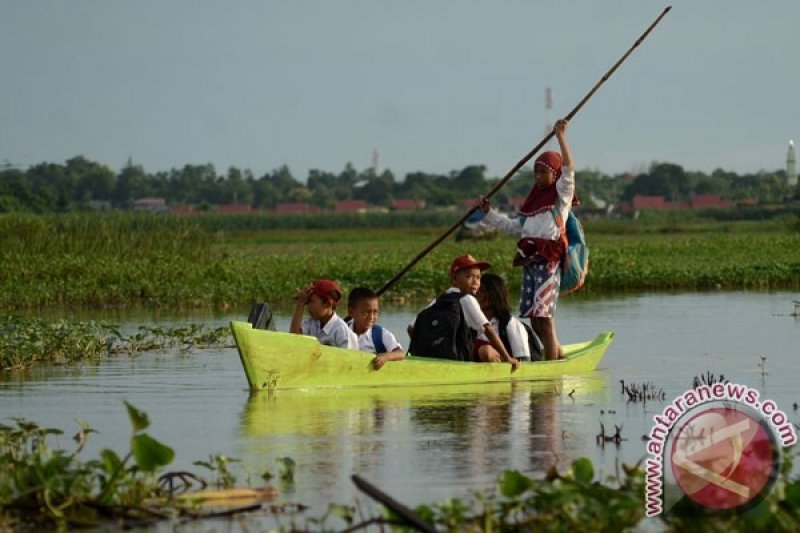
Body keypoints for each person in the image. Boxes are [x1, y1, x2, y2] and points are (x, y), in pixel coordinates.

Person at [479, 118, 576, 360]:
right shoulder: (532, 204)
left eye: (544, 172)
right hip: (531, 264)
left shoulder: (560, 198)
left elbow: (569, 170)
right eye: (536, 172)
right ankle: (556, 354)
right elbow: (512, 227)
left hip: (548, 263)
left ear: (554, 174)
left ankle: (552, 366)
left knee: (545, 318)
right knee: (534, 318)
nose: (539, 177)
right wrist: (488, 213)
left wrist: (560, 137)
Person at [409, 254, 520, 371]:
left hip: (436, 359)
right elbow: (488, 330)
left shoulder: (439, 299)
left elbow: (411, 328)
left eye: (478, 277)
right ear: (455, 279)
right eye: (469, 276)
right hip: (458, 360)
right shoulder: (467, 298)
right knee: (489, 352)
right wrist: (508, 358)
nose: (475, 282)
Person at [475, 273, 542, 362]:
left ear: (493, 295)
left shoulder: (511, 324)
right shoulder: (472, 323)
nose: (476, 294)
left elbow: (524, 361)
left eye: (481, 291)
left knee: (486, 351)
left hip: (507, 369)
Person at [346, 286, 405, 370]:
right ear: (351, 312)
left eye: (375, 312)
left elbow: (401, 353)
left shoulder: (380, 334)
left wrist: (385, 356)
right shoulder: (343, 330)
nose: (371, 317)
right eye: (366, 312)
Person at [289, 279, 358, 349]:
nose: (308, 307)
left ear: (327, 304)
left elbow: (349, 358)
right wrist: (300, 304)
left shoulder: (342, 331)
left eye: (312, 302)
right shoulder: (312, 323)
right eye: (307, 302)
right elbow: (294, 338)